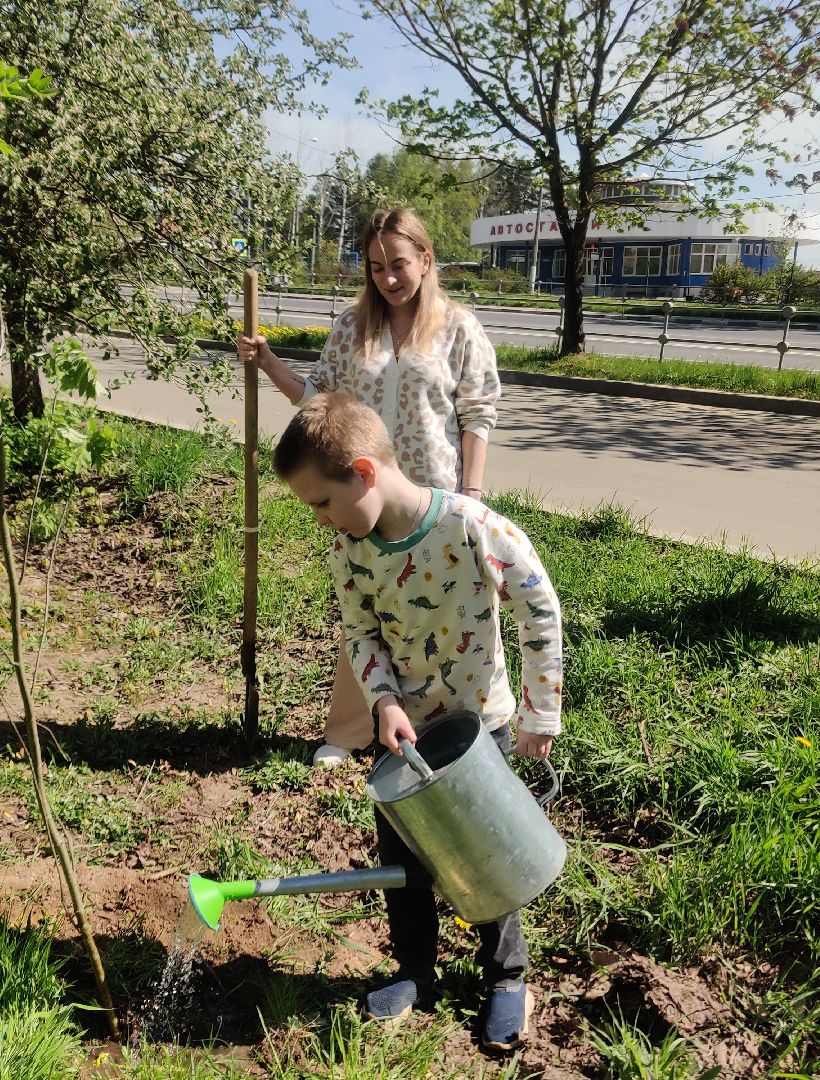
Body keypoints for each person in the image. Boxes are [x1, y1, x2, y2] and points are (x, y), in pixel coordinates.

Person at [272, 391, 563, 1052]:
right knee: (403, 861)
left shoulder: (469, 525)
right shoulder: (351, 550)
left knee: (483, 856)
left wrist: (542, 707)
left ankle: (507, 976)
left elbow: (538, 606)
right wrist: (383, 701)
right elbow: (360, 633)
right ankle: (414, 970)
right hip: (401, 736)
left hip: (475, 734)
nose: (320, 520)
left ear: (365, 474)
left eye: (322, 501)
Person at [238, 208, 501, 766]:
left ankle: (452, 726)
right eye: (376, 267)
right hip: (358, 493)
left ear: (426, 260)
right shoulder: (352, 326)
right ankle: (352, 728)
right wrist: (266, 362)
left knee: (444, 614)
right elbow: (320, 398)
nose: (388, 278)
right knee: (367, 606)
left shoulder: (459, 328)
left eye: (399, 264)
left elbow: (477, 413)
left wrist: (471, 495)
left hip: (433, 498)